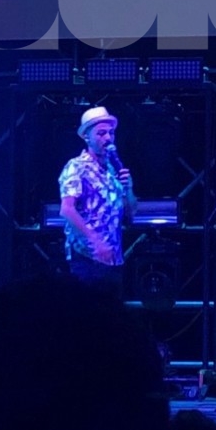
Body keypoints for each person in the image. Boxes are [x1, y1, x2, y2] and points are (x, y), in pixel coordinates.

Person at [58, 105, 135, 294]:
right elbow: (67, 209)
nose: (108, 138)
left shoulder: (112, 169)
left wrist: (129, 189)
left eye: (111, 133)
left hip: (113, 258)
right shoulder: (77, 166)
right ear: (87, 136)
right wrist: (95, 241)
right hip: (87, 258)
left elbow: (131, 212)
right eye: (101, 133)